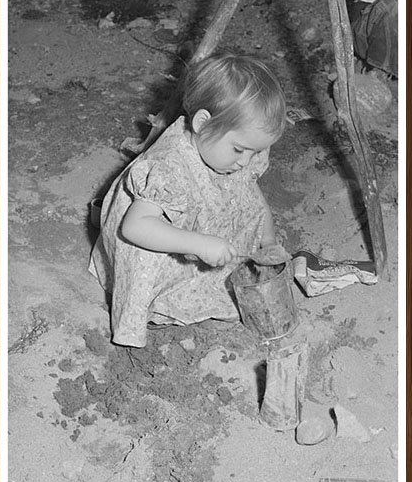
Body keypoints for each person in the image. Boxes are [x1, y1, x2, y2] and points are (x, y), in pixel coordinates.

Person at [90, 53, 288, 347]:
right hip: (151, 235)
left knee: (239, 201)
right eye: (240, 150)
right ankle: (158, 302)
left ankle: (206, 284)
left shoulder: (232, 154)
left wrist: (268, 241)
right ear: (203, 123)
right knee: (149, 254)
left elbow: (252, 195)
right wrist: (199, 243)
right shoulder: (168, 166)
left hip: (198, 216)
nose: (247, 162)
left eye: (256, 152)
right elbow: (134, 228)